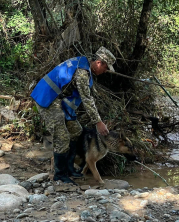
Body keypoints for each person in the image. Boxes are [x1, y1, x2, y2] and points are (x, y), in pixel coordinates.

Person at [30, 47, 117, 185]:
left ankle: (70, 168)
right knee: (62, 138)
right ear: (99, 63)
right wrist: (98, 122)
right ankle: (60, 175)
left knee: (76, 130)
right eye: (106, 68)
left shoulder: (84, 64)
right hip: (47, 99)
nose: (105, 71)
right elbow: (87, 99)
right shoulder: (82, 73)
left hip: (57, 100)